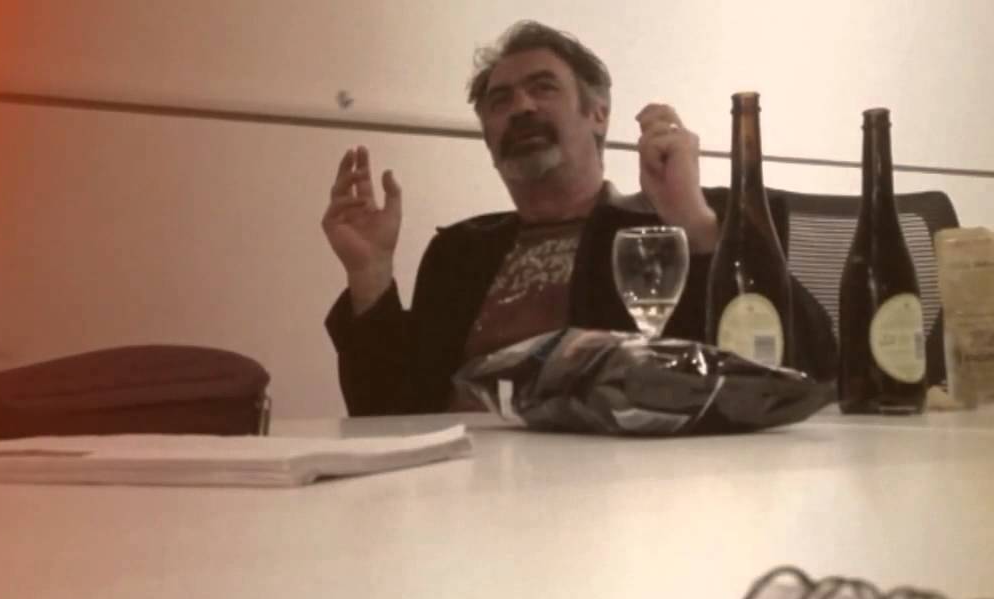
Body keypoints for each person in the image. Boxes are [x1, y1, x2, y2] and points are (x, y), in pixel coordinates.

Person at [322, 20, 836, 416]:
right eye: (500, 100)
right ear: (488, 138)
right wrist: (370, 275)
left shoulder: (669, 232)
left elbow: (809, 370)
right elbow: (387, 414)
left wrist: (695, 226)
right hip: (463, 486)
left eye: (543, 87)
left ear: (598, 115)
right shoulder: (459, 254)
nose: (521, 106)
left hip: (619, 487)